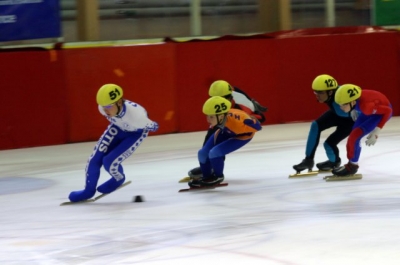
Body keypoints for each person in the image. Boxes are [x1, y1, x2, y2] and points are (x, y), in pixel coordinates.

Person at [68, 84, 159, 202]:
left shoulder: (137, 116)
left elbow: (154, 126)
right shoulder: (102, 109)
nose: (105, 110)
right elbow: (116, 118)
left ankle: (118, 178)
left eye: (108, 106)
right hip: (117, 127)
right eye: (103, 106)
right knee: (95, 159)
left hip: (135, 134)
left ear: (119, 102)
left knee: (109, 161)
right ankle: (88, 191)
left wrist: (151, 125)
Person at [188, 80, 267, 179]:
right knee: (208, 143)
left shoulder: (243, 103)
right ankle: (209, 165)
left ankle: (215, 166)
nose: (216, 101)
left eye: (220, 99)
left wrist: (253, 117)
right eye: (212, 98)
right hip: (225, 121)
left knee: (217, 149)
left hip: (239, 126)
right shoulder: (218, 101)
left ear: (230, 97)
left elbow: (261, 118)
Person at [293, 74, 354, 173]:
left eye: (320, 92)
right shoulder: (331, 95)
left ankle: (334, 162)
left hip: (349, 122)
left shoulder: (344, 94)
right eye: (315, 92)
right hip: (337, 114)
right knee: (315, 126)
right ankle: (308, 160)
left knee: (329, 144)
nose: (317, 95)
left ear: (330, 92)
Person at [332, 84, 392, 176]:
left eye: (343, 105)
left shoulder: (366, 107)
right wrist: (353, 109)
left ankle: (352, 166)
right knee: (352, 136)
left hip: (380, 113)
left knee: (355, 136)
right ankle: (351, 163)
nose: (341, 108)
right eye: (339, 105)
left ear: (352, 102)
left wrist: (377, 130)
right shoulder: (355, 101)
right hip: (371, 109)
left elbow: (388, 111)